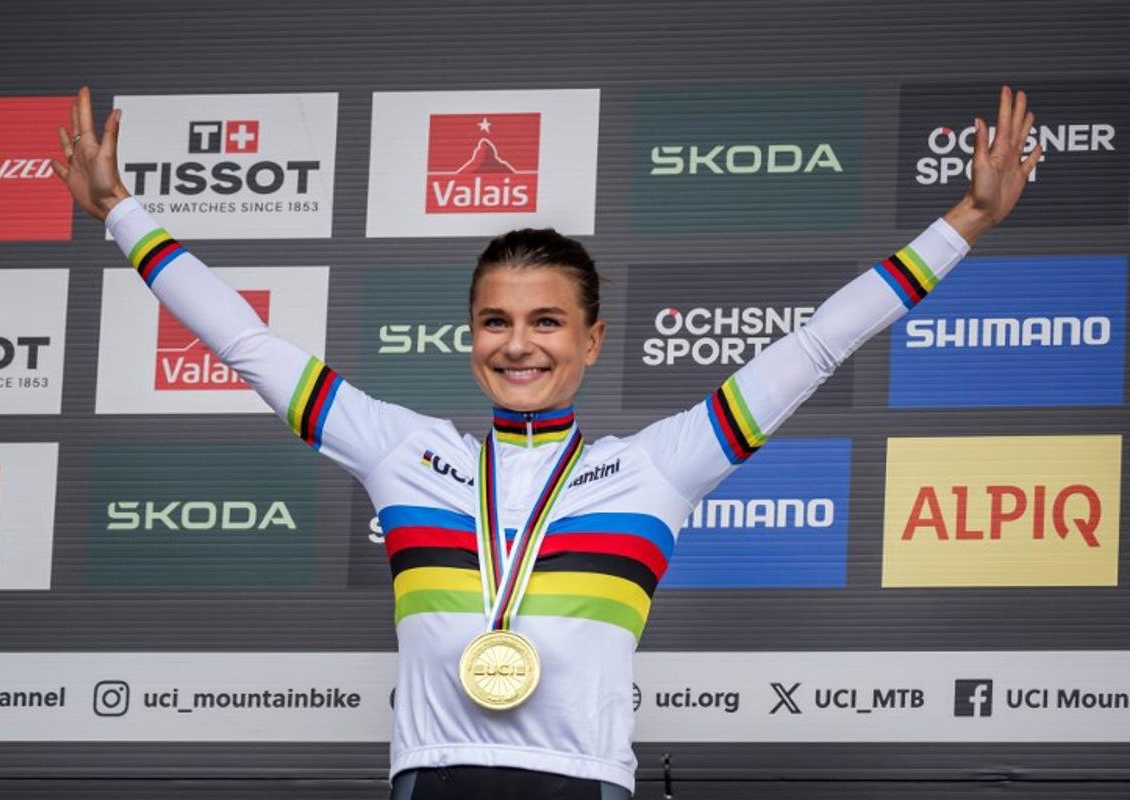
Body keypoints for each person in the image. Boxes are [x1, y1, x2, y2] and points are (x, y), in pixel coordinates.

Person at [53, 85, 1042, 800]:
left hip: (585, 783)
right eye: (494, 320)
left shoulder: (655, 464)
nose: (518, 342)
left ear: (591, 338)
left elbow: (816, 346)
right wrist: (120, 215)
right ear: (470, 334)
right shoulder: (403, 451)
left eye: (546, 320)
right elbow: (249, 344)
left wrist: (962, 222)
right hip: (430, 779)